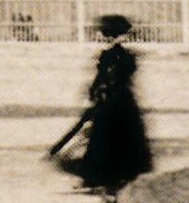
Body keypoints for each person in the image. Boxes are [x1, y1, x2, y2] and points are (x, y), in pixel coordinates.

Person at [64, 14, 151, 192]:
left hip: (110, 101)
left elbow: (103, 77)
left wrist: (95, 92)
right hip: (125, 100)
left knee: (103, 137)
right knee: (126, 136)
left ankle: (100, 175)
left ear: (108, 34)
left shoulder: (109, 55)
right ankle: (124, 173)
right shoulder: (127, 55)